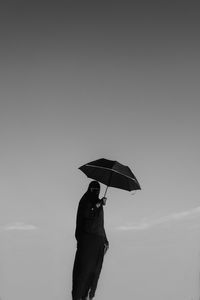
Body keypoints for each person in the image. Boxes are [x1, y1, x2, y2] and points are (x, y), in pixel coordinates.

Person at [72, 180, 109, 300]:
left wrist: (105, 239)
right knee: (83, 273)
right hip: (87, 242)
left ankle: (89, 296)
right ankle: (79, 297)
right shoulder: (86, 200)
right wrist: (98, 204)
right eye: (94, 190)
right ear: (90, 190)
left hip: (98, 241)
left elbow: (99, 224)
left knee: (94, 272)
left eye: (98, 190)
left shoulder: (96, 202)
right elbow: (87, 214)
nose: (96, 192)